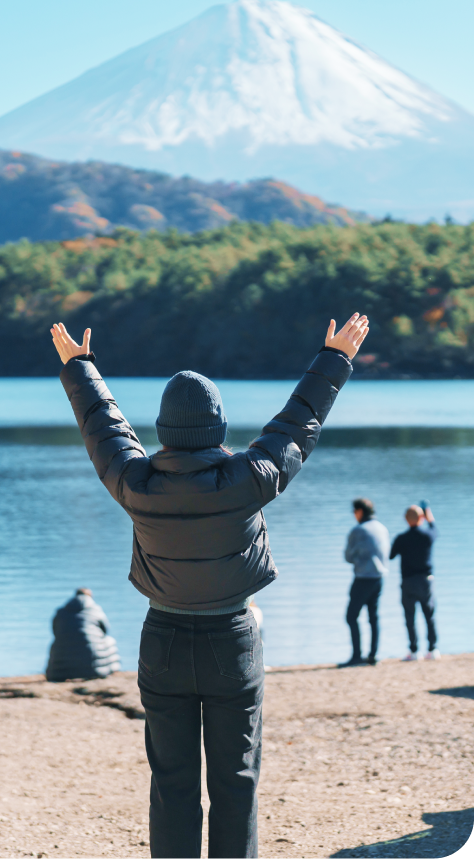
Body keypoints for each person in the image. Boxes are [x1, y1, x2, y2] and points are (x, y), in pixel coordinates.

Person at [50, 312, 369, 859]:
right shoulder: (249, 479)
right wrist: (334, 359)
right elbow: (297, 424)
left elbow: (103, 428)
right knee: (236, 782)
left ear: (164, 430)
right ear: (218, 427)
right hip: (232, 640)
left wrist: (79, 368)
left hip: (163, 639)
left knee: (171, 784)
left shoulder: (136, 482)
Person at [341, 497, 390, 667]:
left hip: (362, 579)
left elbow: (348, 557)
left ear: (360, 511)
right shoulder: (382, 528)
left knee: (351, 616)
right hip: (379, 579)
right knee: (373, 617)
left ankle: (356, 656)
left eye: (354, 512)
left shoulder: (358, 530)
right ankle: (373, 655)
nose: (354, 515)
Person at [390, 503, 439, 661]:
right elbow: (435, 530)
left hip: (408, 582)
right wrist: (429, 518)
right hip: (425, 581)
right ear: (421, 518)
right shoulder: (427, 536)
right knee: (429, 615)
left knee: (409, 617)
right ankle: (432, 649)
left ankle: (414, 651)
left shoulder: (401, 539)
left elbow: (391, 555)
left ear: (406, 519)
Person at [45, 588, 121, 681]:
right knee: (109, 641)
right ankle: (111, 670)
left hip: (60, 671)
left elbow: (55, 631)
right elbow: (105, 630)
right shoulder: (95, 610)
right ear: (90, 597)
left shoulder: (61, 611)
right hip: (93, 667)